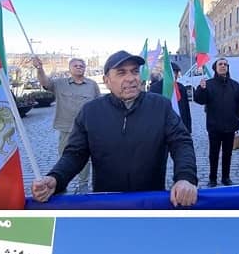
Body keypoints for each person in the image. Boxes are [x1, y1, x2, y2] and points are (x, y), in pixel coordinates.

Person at [31, 50, 199, 207]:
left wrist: (185, 177)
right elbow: (75, 154)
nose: (131, 78)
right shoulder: (91, 111)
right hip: (107, 202)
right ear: (106, 81)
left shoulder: (160, 106)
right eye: (121, 72)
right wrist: (56, 177)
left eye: (134, 71)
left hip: (150, 201)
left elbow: (181, 142)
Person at [32, 56, 102, 193]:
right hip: (66, 128)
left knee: (85, 159)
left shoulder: (92, 84)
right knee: (65, 157)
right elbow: (45, 82)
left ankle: (83, 185)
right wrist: (39, 68)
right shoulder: (59, 84)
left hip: (87, 128)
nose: (79, 67)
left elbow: (99, 104)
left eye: (81, 65)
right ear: (69, 68)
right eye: (75, 65)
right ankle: (61, 184)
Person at [193, 58, 239, 187]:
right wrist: (201, 89)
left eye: (225, 64)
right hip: (214, 126)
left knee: (228, 154)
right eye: (220, 64)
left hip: (230, 126)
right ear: (215, 68)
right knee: (214, 154)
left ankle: (226, 177)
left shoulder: (235, 85)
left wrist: (238, 118)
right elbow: (199, 100)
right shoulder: (208, 84)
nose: (223, 66)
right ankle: (213, 178)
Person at [150, 61, 194, 139]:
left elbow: (186, 110)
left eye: (176, 73)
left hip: (178, 125)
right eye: (172, 72)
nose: (175, 75)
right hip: (161, 127)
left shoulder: (181, 88)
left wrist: (188, 129)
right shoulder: (155, 88)